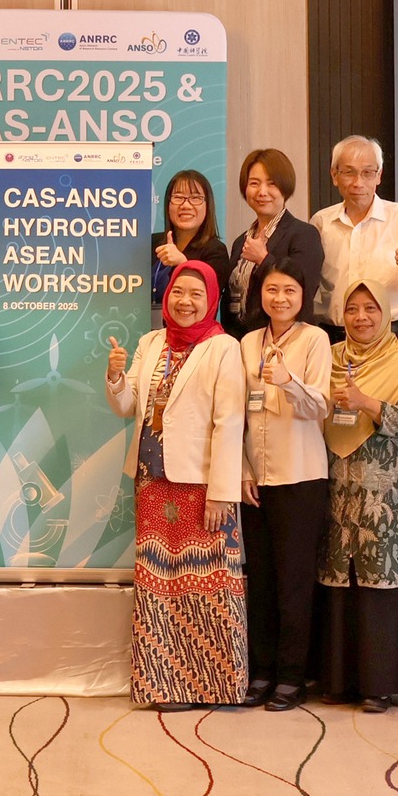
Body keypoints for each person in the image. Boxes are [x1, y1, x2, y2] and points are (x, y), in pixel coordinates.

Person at [105, 261, 249, 710]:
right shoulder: (151, 342)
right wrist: (115, 376)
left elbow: (230, 422)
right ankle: (162, 684)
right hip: (152, 482)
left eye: (196, 295)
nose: (185, 302)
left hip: (202, 487)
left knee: (207, 581)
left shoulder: (223, 347)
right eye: (178, 292)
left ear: (211, 301)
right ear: (167, 296)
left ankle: (213, 684)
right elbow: (128, 406)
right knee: (158, 582)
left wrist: (222, 490)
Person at [317, 274, 398, 711]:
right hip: (336, 488)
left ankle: (380, 682)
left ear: (386, 314)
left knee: (382, 580)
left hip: (388, 493)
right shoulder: (326, 357)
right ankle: (339, 678)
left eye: (370, 309)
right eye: (352, 309)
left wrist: (368, 403)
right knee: (339, 580)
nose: (361, 317)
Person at [237, 260, 331, 711]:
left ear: (303, 295)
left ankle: (293, 677)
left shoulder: (315, 340)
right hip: (256, 480)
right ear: (261, 294)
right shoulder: (247, 343)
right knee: (260, 581)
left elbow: (321, 406)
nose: (280, 298)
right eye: (272, 289)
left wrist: (288, 381)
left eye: (290, 290)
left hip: (300, 477)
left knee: (294, 582)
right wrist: (242, 469)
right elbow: (235, 412)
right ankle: (262, 671)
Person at [308, 137, 398, 334]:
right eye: (349, 172)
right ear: (334, 175)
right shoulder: (321, 223)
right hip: (333, 337)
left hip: (387, 338)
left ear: (379, 176)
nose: (358, 183)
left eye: (367, 173)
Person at [222, 148, 324, 339]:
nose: (262, 192)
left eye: (272, 184)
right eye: (254, 183)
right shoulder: (241, 242)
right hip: (240, 342)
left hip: (286, 341)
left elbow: (304, 291)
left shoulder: (304, 234)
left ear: (285, 188)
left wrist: (264, 259)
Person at [151, 169, 231, 317]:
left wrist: (183, 263)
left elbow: (209, 298)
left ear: (208, 205)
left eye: (195, 198)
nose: (186, 205)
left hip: (193, 331)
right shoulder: (152, 243)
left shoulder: (216, 251)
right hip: (147, 329)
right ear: (168, 204)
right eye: (178, 197)